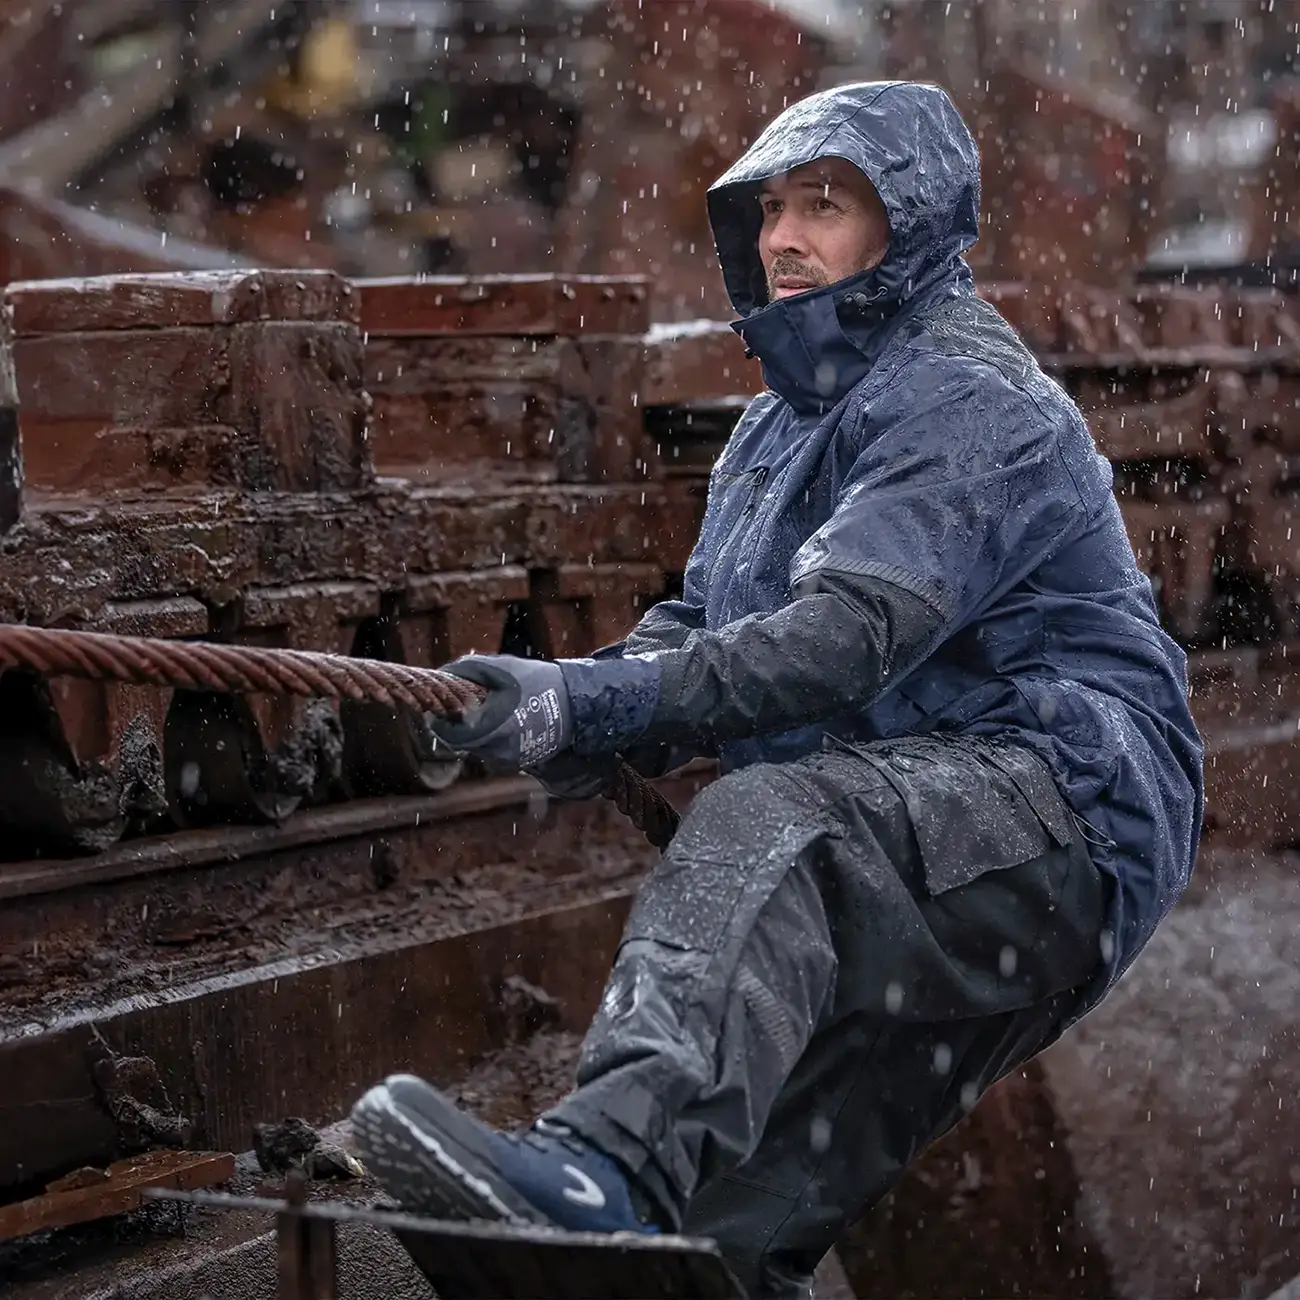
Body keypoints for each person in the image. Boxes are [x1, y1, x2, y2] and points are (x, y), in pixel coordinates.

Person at [350, 81, 1203, 1297]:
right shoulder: (779, 423)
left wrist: (593, 709)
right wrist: (571, 700)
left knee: (767, 821)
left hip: (1061, 804)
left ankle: (597, 1163)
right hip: (936, 826)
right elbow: (709, 621)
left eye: (824, 205)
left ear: (905, 228)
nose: (783, 237)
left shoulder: (969, 397)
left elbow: (844, 638)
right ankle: (627, 1245)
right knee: (730, 1224)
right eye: (768, 209)